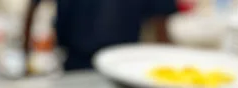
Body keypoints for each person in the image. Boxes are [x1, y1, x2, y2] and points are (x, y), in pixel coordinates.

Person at [24, 0, 177, 71]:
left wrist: (170, 67)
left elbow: (161, 24)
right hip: (74, 63)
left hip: (123, 65)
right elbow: (32, 8)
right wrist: (25, 58)